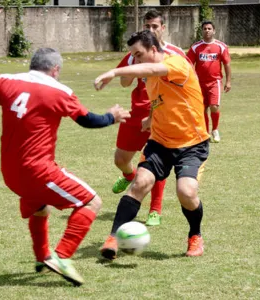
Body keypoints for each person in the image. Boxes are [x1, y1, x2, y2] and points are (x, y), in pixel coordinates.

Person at [0, 48, 130, 286]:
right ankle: (62, 257)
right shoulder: (59, 90)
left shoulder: (8, 80)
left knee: (41, 208)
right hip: (38, 171)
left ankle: (43, 257)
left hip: (11, 172)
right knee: (91, 201)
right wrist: (110, 117)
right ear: (55, 70)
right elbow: (87, 120)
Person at [94, 30, 209, 259]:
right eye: (133, 56)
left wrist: (115, 71)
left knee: (186, 192)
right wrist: (150, 118)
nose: (136, 61)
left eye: (139, 55)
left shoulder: (177, 64)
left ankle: (195, 235)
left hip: (191, 144)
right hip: (160, 142)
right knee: (140, 183)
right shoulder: (150, 79)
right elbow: (163, 101)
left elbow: (152, 69)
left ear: (154, 50)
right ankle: (114, 238)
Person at [112, 9, 190, 227]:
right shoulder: (133, 54)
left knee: (152, 162)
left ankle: (155, 209)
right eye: (147, 26)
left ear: (163, 28)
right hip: (135, 113)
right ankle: (129, 176)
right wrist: (135, 68)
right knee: (120, 160)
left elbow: (186, 80)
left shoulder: (175, 53)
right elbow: (124, 83)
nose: (151, 30)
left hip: (161, 114)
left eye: (155, 26)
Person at [186, 20, 232, 143]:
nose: (207, 30)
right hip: (199, 83)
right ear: (202, 31)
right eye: (205, 29)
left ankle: (215, 129)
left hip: (214, 82)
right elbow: (188, 64)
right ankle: (205, 133)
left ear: (214, 31)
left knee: (214, 106)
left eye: (209, 28)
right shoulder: (196, 47)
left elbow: (227, 64)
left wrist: (228, 81)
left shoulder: (221, 46)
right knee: (202, 108)